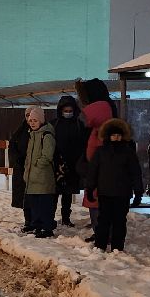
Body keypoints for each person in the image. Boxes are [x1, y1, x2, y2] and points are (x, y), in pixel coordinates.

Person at [85, 118, 144, 252]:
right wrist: (90, 188)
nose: (116, 138)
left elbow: (135, 172)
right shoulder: (101, 152)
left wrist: (138, 192)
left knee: (119, 221)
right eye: (113, 135)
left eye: (118, 135)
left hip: (122, 194)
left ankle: (117, 247)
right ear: (108, 136)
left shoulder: (128, 152)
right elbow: (93, 171)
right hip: (105, 193)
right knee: (103, 220)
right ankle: (100, 245)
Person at [75, 78, 116, 237]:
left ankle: (103, 234)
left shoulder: (100, 111)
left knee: (99, 203)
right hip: (98, 169)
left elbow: (84, 121)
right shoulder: (106, 112)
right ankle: (101, 232)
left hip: (99, 171)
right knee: (99, 203)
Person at [22, 105, 58, 238]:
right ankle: (37, 226)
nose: (32, 123)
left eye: (35, 121)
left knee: (44, 205)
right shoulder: (32, 135)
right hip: (32, 177)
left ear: (41, 121)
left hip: (43, 177)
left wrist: (37, 164)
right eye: (31, 121)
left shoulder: (46, 135)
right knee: (35, 205)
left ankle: (46, 228)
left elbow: (47, 155)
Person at [53, 95, 87, 227]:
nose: (68, 113)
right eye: (65, 111)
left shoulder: (79, 125)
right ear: (61, 110)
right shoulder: (54, 124)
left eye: (70, 110)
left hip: (73, 165)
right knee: (54, 193)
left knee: (67, 194)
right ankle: (51, 216)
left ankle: (66, 218)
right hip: (57, 165)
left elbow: (83, 143)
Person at [8, 114, 32, 232]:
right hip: (21, 168)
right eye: (27, 116)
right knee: (24, 195)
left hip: (35, 169)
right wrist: (18, 159)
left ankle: (35, 220)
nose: (30, 119)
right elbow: (12, 146)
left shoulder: (42, 132)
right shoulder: (20, 132)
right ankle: (28, 221)